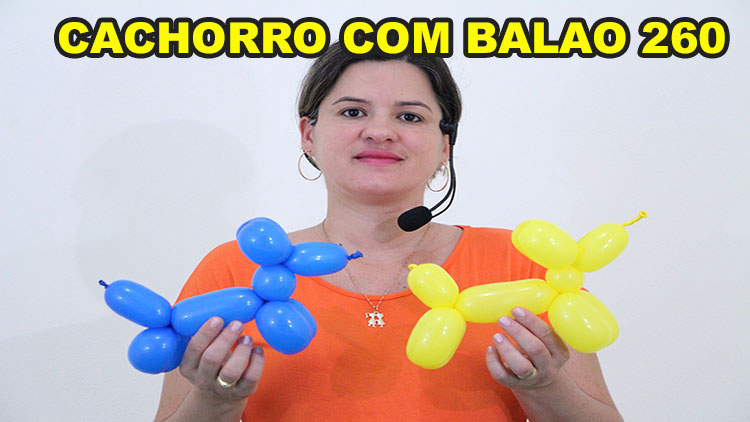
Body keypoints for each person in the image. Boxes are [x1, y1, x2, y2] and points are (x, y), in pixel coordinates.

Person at [154, 42, 624, 422]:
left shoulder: (524, 266)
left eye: (410, 116)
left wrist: (545, 386)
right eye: (353, 112)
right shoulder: (234, 269)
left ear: (444, 145)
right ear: (308, 135)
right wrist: (215, 401)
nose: (380, 131)